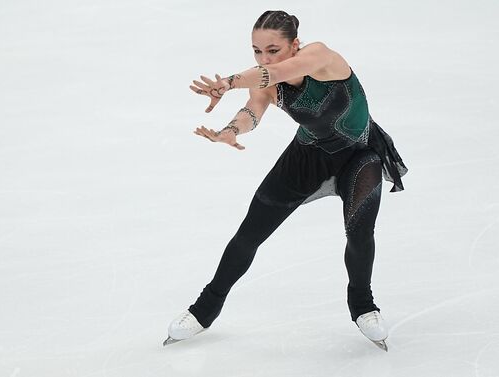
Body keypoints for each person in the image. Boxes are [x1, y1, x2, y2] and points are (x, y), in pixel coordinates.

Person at [164, 10, 407, 351]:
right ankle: (205, 308)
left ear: (294, 44)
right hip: (305, 158)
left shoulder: (320, 56)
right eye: (257, 51)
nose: (264, 58)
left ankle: (363, 306)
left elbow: (274, 72)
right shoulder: (269, 82)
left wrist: (228, 83)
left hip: (359, 155)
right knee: (249, 234)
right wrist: (228, 132)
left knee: (359, 232)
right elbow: (253, 110)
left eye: (273, 49)